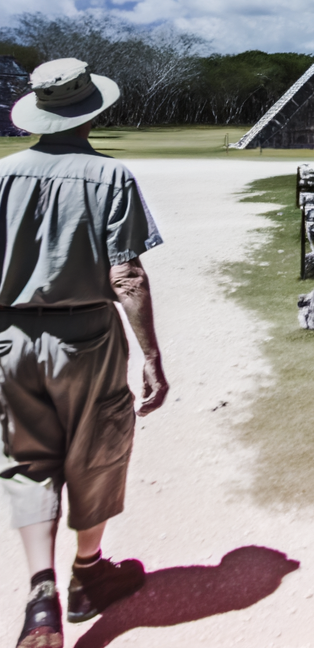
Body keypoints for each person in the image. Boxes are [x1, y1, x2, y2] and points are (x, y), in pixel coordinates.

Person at [0, 58, 168, 648]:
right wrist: (151, 356)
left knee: (27, 461)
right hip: (87, 337)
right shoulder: (110, 177)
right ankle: (88, 574)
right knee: (95, 452)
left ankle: (41, 591)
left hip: (10, 338)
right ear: (92, 110)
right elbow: (127, 276)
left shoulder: (3, 175)